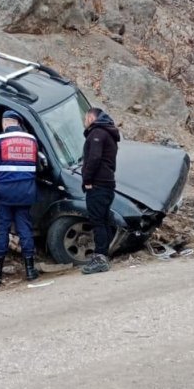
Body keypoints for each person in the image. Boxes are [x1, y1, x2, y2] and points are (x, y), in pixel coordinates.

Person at [0, 111, 40, 284]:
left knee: (2, 230)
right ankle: (30, 269)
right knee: (25, 229)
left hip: (5, 193)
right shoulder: (32, 141)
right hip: (26, 192)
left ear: (5, 123)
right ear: (18, 123)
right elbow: (36, 166)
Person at [80, 107, 120, 275]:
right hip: (107, 182)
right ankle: (103, 253)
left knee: (97, 220)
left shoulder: (97, 133)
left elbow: (94, 158)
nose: (84, 122)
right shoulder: (107, 133)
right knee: (103, 219)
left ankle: (100, 257)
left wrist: (87, 180)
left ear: (91, 117)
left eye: (85, 118)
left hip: (98, 183)